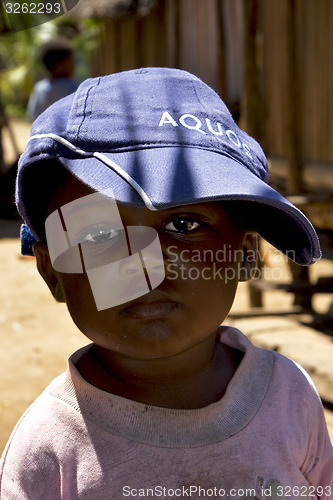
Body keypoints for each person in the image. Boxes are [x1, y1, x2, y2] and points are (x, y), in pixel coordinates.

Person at [1, 68, 332, 499]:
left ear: (246, 255)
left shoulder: (290, 398)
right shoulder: (48, 450)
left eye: (184, 223)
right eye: (99, 235)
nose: (144, 263)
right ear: (52, 272)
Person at [27, 39, 78, 122]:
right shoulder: (72, 87)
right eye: (72, 61)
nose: (74, 65)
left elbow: (32, 116)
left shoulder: (39, 88)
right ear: (59, 66)